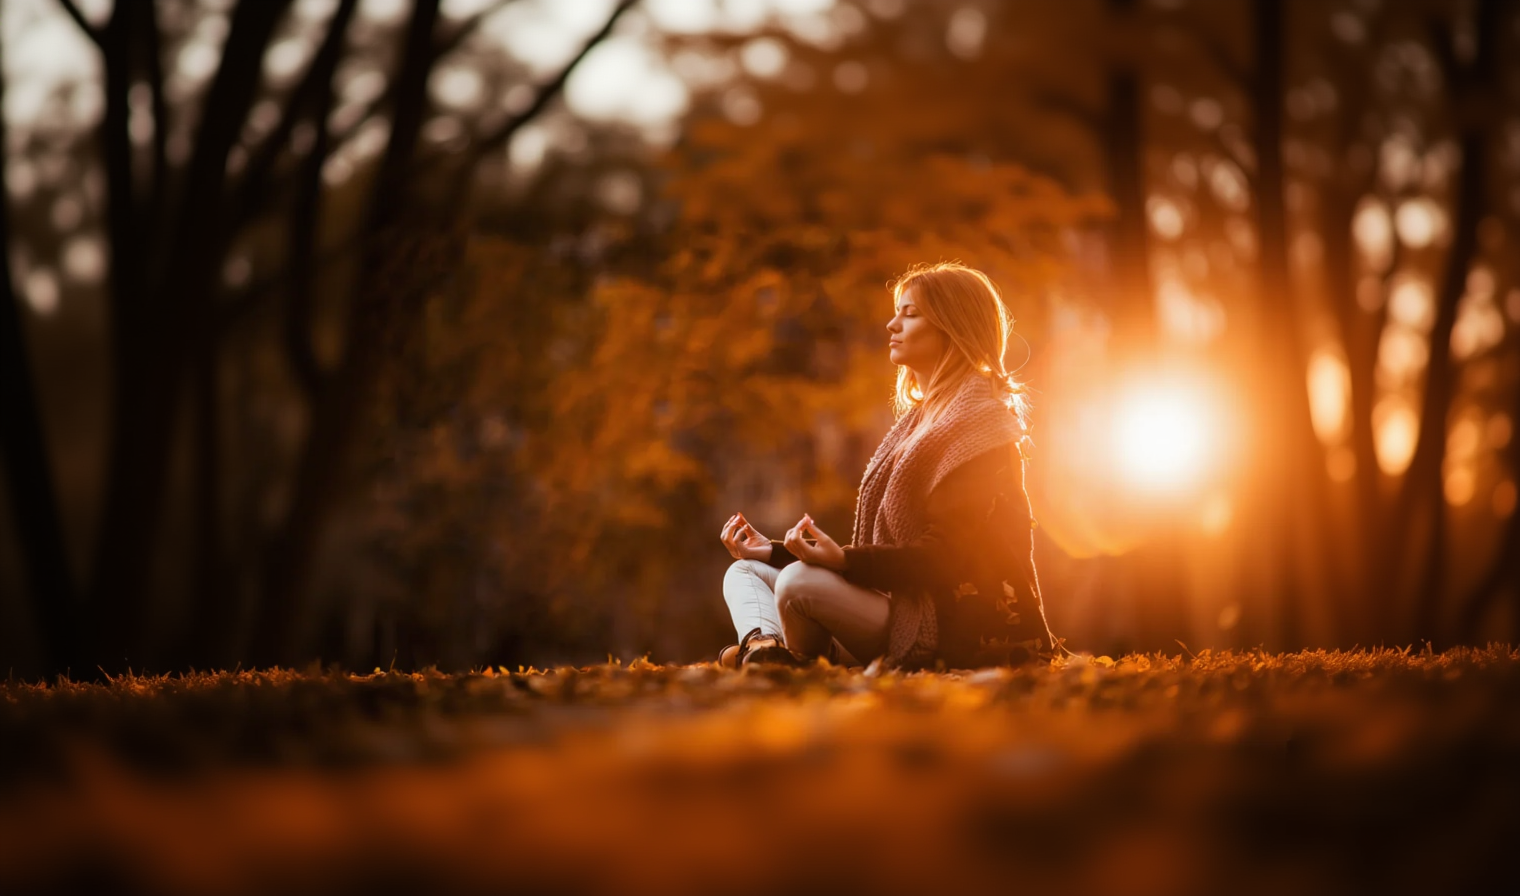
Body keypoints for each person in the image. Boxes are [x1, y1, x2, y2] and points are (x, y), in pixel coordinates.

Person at [717, 262, 1056, 670]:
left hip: (954, 628)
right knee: (747, 570)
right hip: (896, 609)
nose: (891, 325)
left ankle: (795, 665)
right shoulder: (919, 424)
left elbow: (946, 558)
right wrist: (775, 551)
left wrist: (842, 561)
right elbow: (886, 558)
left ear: (953, 326)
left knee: (797, 583)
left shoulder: (979, 426)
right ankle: (764, 651)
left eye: (910, 314)